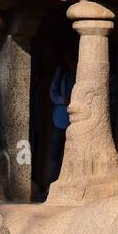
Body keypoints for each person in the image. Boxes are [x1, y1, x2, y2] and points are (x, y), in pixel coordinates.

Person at [48, 45, 77, 184]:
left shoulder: (81, 70)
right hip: (60, 119)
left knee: (74, 156)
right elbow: (52, 92)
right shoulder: (61, 71)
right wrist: (62, 100)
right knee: (56, 155)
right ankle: (52, 185)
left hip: (77, 121)